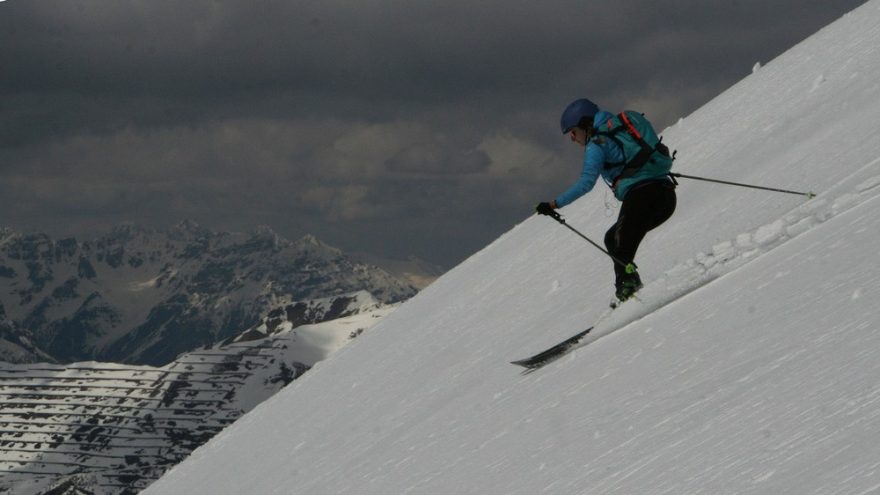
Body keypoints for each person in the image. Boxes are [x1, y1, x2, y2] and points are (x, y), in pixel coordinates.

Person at [536, 98, 677, 302]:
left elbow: (586, 183)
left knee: (620, 245)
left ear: (585, 124)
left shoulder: (597, 143)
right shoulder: (624, 125)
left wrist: (553, 204)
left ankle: (629, 291)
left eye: (573, 132)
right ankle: (630, 288)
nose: (572, 138)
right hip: (665, 196)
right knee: (613, 239)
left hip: (642, 197)